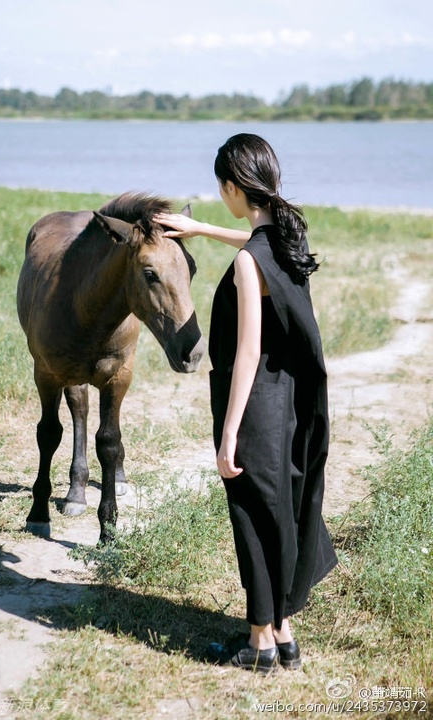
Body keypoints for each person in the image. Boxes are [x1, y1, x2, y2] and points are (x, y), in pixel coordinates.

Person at [155, 133, 337, 675]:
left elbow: (249, 352)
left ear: (234, 187)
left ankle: (259, 642)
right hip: (296, 401)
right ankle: (284, 631)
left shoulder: (247, 264)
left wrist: (230, 430)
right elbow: (253, 239)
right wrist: (199, 229)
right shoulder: (287, 238)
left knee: (253, 516)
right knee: (283, 507)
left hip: (256, 403)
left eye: (221, 188)